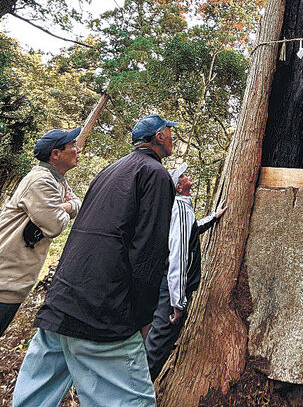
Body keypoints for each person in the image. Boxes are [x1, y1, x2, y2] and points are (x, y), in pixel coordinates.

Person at [13, 114, 177, 407]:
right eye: (169, 131)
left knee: (33, 399)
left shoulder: (109, 170)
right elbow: (148, 253)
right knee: (132, 401)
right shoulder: (154, 174)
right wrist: (142, 316)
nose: (173, 137)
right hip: (102, 315)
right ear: (159, 137)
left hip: (61, 304)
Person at [145, 163, 227, 381]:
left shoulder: (182, 207)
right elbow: (179, 257)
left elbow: (190, 231)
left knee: (158, 341)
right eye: (183, 176)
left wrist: (213, 217)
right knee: (157, 345)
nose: (188, 176)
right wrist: (177, 302)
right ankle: (134, 396)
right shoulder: (179, 208)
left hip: (170, 288)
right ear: (179, 187)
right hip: (171, 290)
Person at [0, 127, 82, 337]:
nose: (78, 149)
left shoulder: (58, 180)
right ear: (55, 154)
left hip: (15, 282)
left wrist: (66, 206)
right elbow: (55, 225)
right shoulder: (41, 180)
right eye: (72, 145)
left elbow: (77, 203)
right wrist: (65, 208)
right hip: (4, 279)